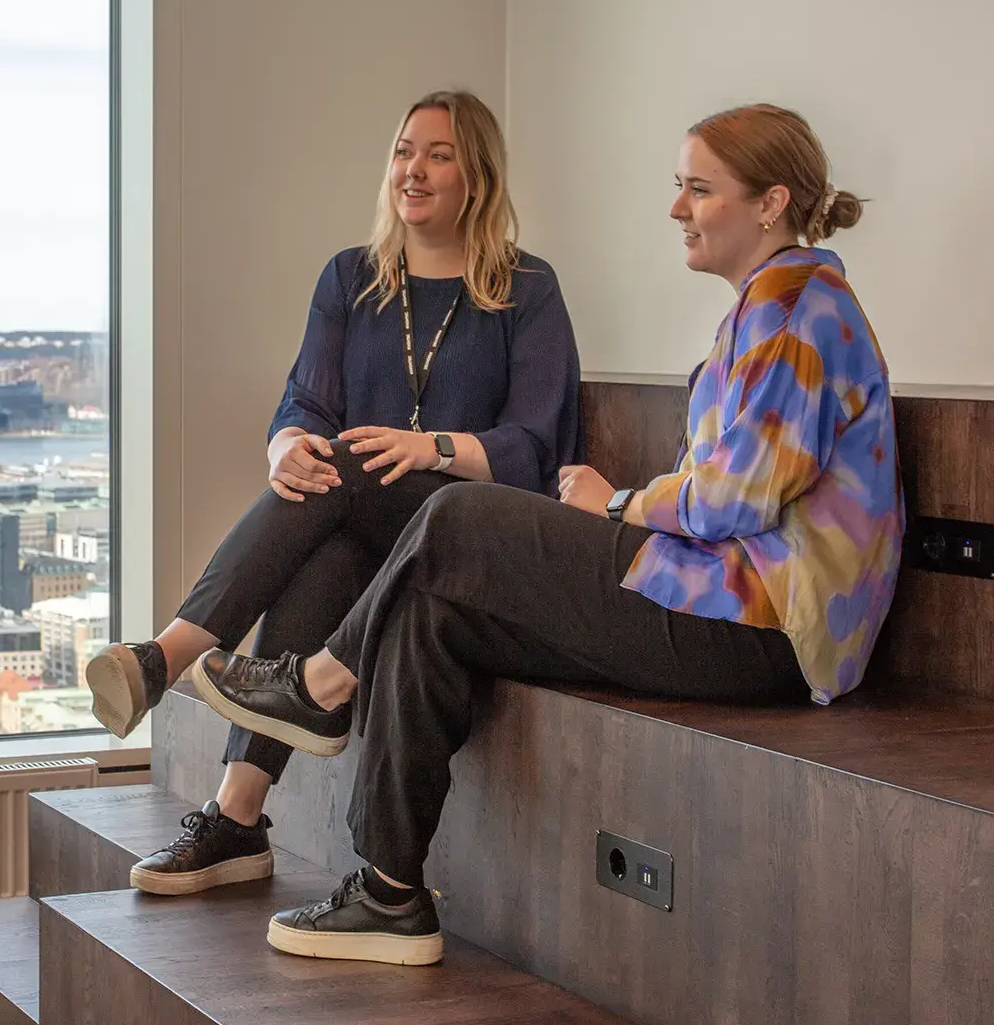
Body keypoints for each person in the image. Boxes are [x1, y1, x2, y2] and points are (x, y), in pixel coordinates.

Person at [198, 103, 902, 966]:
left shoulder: (799, 314)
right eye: (679, 186)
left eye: (697, 188)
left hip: (765, 629)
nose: (677, 207)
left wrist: (617, 503)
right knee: (431, 607)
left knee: (457, 514)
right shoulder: (769, 306)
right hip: (720, 599)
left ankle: (317, 682)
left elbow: (735, 500)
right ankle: (388, 891)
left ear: (770, 202)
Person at [86, 89, 582, 895]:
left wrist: (432, 447)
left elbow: (536, 449)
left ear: (478, 177)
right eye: (403, 151)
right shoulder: (352, 278)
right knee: (329, 523)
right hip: (366, 528)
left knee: (347, 462)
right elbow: (305, 404)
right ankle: (237, 816)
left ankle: (167, 656)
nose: (413, 170)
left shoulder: (526, 289)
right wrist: (287, 450)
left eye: (439, 155)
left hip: (468, 536)